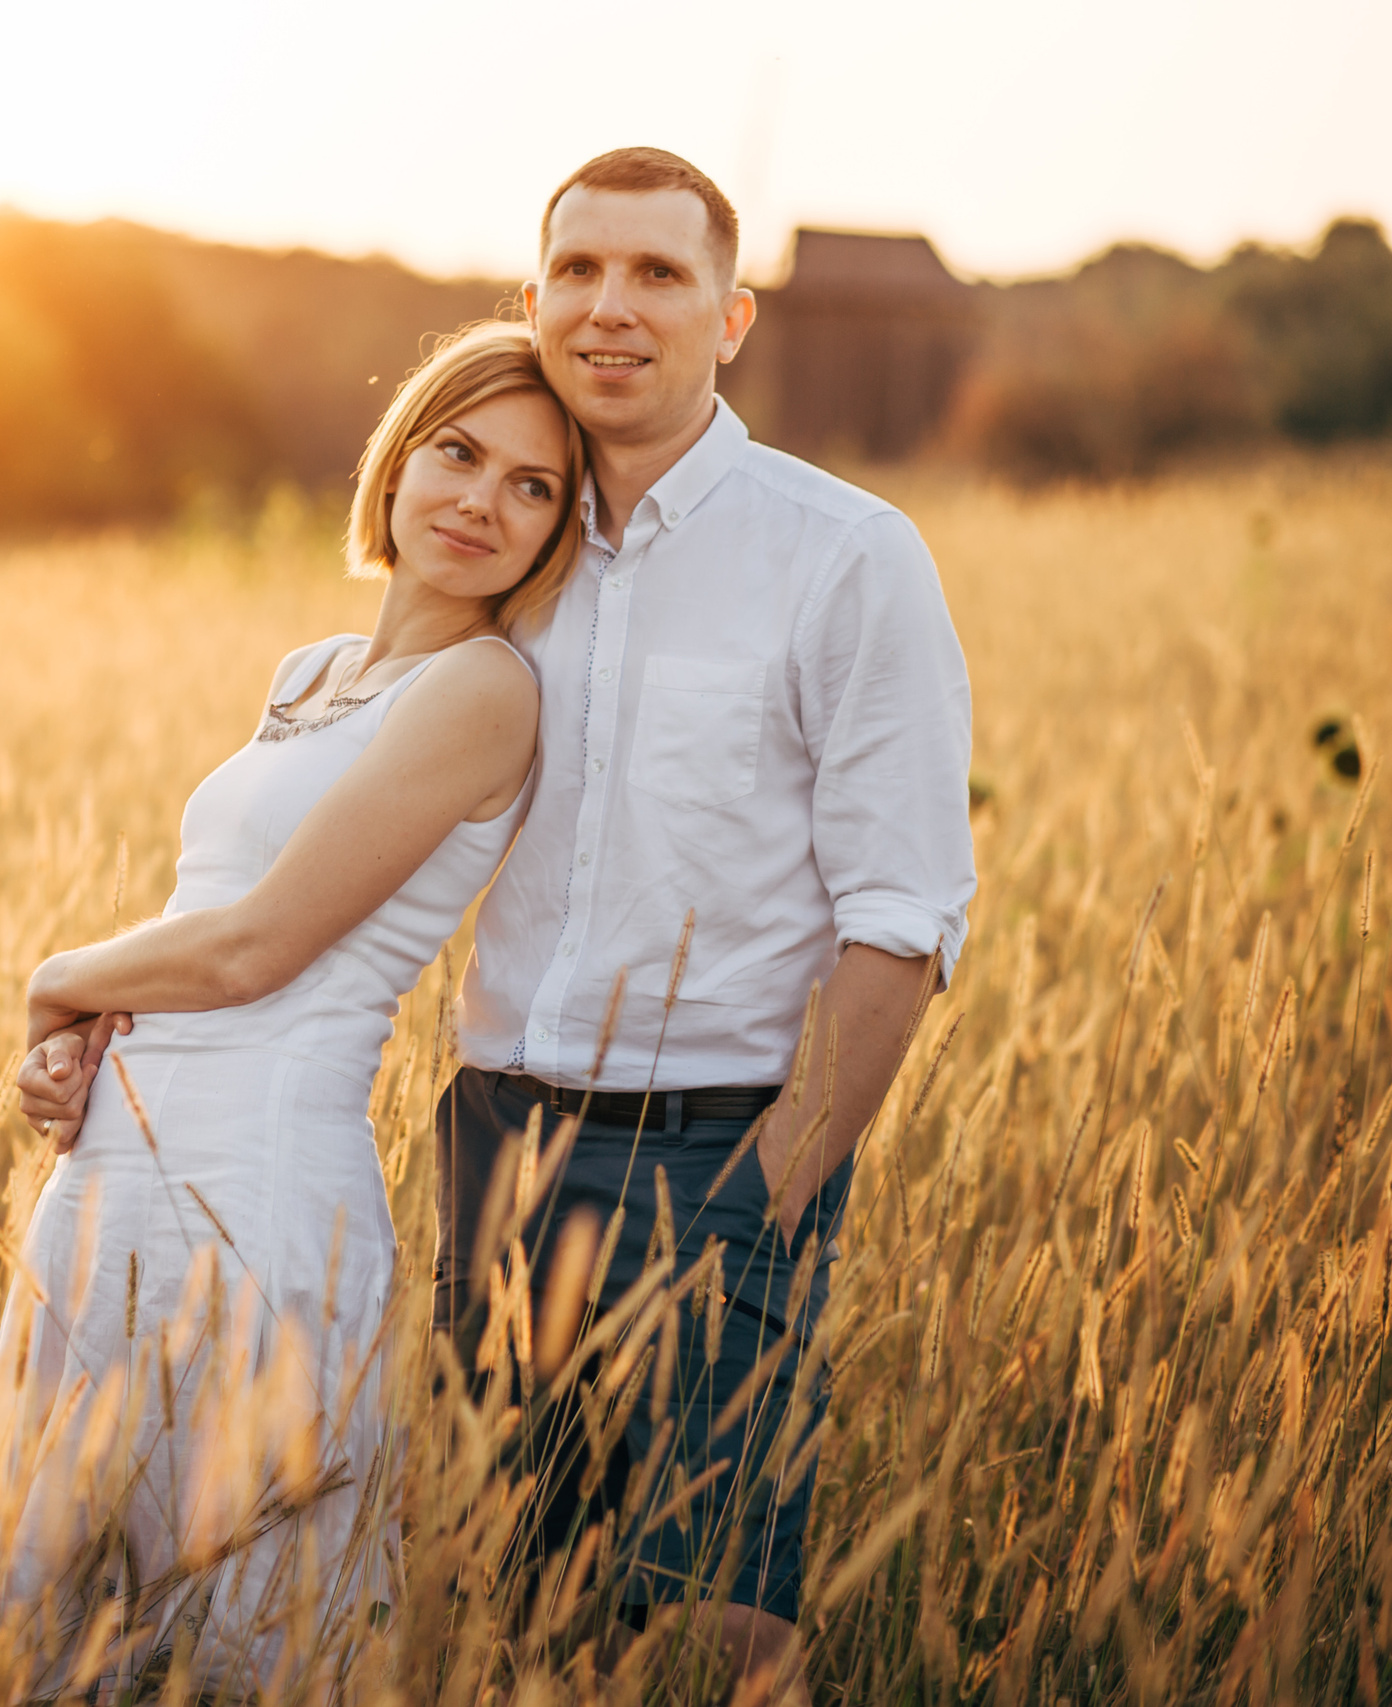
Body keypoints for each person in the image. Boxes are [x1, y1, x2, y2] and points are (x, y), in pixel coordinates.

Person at [440, 148, 976, 1699]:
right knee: (521, 1616)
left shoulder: (845, 554)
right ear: (534, 303)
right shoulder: (500, 547)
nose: (611, 306)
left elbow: (906, 916)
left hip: (719, 1145)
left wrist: (763, 1200)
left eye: (658, 274)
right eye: (579, 272)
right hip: (494, 1134)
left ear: (732, 317)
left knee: (729, 1627)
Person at [0, 320, 585, 1700]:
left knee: (250, 1632)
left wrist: (54, 978)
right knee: (36, 1621)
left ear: (561, 531)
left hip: (257, 1196)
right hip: (108, 1182)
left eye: (533, 487)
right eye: (458, 451)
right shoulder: (310, 673)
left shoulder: (487, 691)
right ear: (398, 458)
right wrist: (78, 1047)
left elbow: (261, 947)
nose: (480, 501)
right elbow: (212, 901)